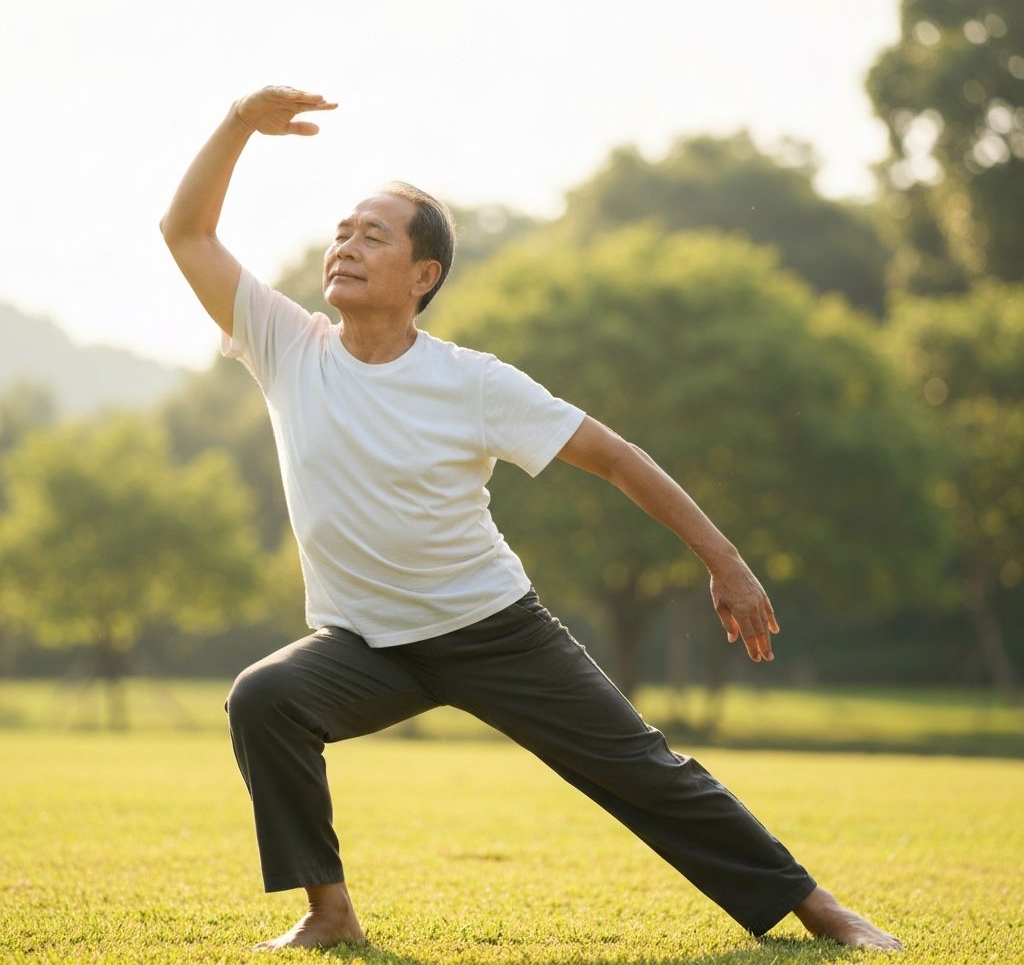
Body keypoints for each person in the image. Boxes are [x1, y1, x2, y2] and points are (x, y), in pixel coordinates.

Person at [160, 85, 903, 954]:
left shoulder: (473, 383)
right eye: (340, 232)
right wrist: (241, 121)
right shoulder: (288, 347)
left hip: (492, 632)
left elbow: (618, 458)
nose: (344, 247)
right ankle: (330, 913)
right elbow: (189, 234)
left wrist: (725, 562)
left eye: (373, 235)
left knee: (643, 772)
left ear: (423, 275)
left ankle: (817, 909)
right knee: (266, 698)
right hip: (363, 646)